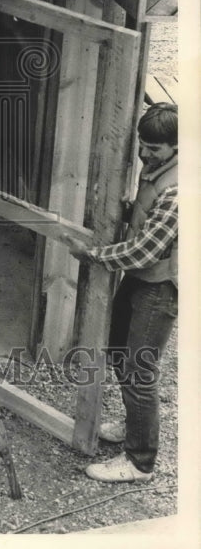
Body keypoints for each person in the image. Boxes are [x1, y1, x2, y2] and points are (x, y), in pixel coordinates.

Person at [70, 102, 178, 483]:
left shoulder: (179, 189)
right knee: (119, 349)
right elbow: (145, 219)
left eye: (155, 149)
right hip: (141, 278)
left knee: (140, 370)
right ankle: (134, 428)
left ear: (178, 147)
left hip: (161, 287)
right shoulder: (158, 170)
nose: (145, 154)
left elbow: (146, 249)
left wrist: (94, 255)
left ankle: (140, 461)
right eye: (142, 145)